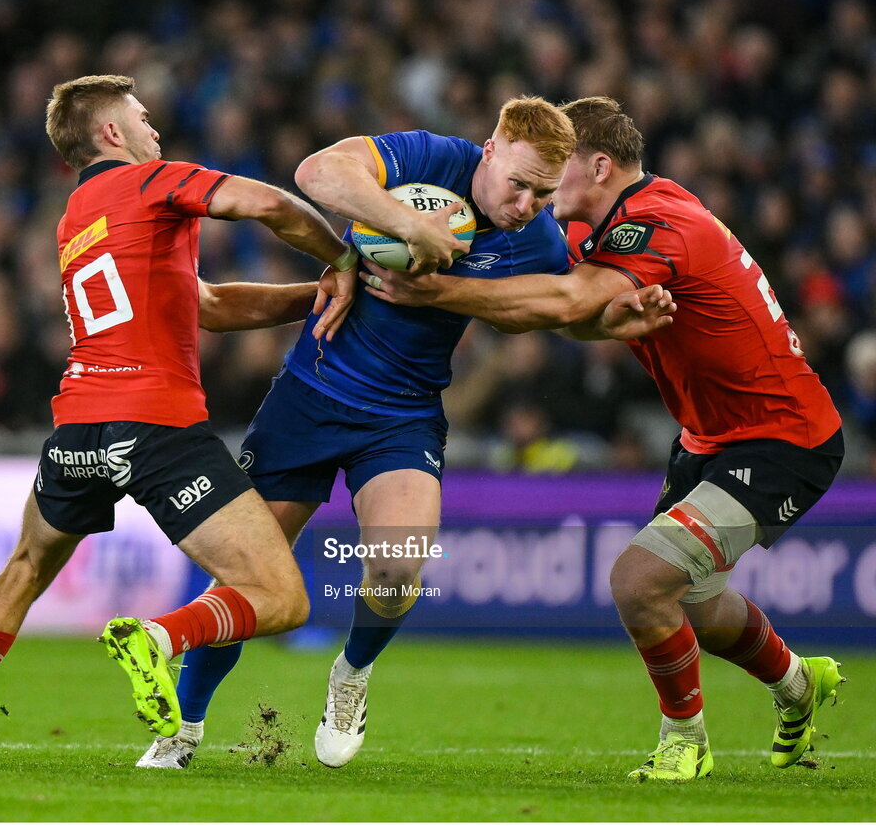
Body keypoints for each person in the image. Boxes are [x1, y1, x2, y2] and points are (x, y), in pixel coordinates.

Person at [137, 96, 674, 770]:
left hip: (402, 417)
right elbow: (319, 172)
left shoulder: (534, 237)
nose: (526, 204)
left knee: (398, 568)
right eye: (518, 184)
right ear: (491, 147)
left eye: (543, 192)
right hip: (308, 396)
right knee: (245, 575)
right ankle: (183, 729)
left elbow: (560, 314)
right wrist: (408, 225)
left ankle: (351, 676)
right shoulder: (429, 157)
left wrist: (616, 321)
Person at [360, 96, 846, 782]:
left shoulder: (659, 221)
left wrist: (433, 291)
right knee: (695, 602)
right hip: (711, 438)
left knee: (639, 582)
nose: (548, 184)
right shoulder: (613, 226)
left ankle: (686, 741)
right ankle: (798, 683)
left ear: (598, 164)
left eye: (560, 168)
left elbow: (563, 302)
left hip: (783, 439)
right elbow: (567, 310)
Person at [0, 74, 359, 765]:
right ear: (111, 133)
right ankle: (157, 638)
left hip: (79, 428)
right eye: (142, 119)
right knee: (281, 597)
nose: (155, 131)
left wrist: (313, 296)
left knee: (25, 567)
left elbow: (209, 305)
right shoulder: (153, 183)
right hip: (155, 426)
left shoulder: (78, 218)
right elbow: (267, 202)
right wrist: (345, 260)